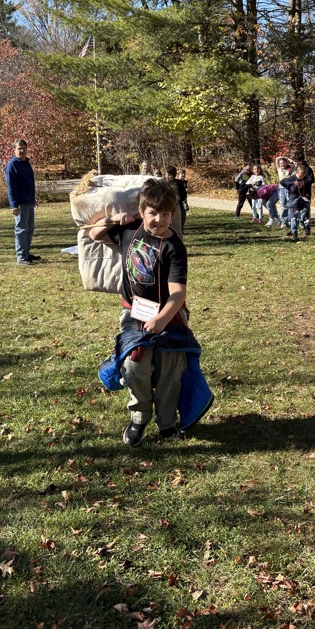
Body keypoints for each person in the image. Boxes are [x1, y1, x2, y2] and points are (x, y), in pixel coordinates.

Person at [89, 178, 210, 446]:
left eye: (166, 214)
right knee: (134, 365)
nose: (159, 220)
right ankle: (139, 417)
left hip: (169, 315)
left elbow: (178, 293)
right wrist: (112, 220)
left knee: (169, 369)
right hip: (134, 313)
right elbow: (94, 235)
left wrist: (161, 319)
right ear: (142, 212)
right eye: (153, 213)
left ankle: (167, 423)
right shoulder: (128, 231)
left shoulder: (174, 247)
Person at [5, 139, 38, 266]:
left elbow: (30, 182)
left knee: (29, 229)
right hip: (20, 203)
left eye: (24, 148)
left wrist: (33, 198)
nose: (22, 151)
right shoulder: (12, 165)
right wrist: (13, 205)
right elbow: (11, 187)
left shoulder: (27, 163)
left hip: (29, 201)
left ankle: (26, 253)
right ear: (14, 150)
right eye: (19, 148)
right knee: (21, 229)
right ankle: (21, 257)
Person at [280, 165, 312, 242]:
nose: (302, 176)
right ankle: (294, 233)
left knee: (305, 212)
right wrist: (292, 184)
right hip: (293, 199)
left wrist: (302, 182)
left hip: (303, 199)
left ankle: (302, 223)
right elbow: (282, 182)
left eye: (303, 174)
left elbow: (309, 181)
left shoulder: (305, 179)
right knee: (294, 217)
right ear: (297, 172)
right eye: (301, 174)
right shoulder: (291, 178)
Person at [275, 155, 292, 227]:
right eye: (281, 163)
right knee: (283, 204)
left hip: (289, 188)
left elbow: (294, 164)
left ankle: (290, 220)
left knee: (290, 204)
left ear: (286, 163)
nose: (282, 164)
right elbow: (277, 159)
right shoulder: (279, 169)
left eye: (284, 163)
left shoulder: (289, 169)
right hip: (281, 188)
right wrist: (283, 157)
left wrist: (288, 159)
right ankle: (283, 222)